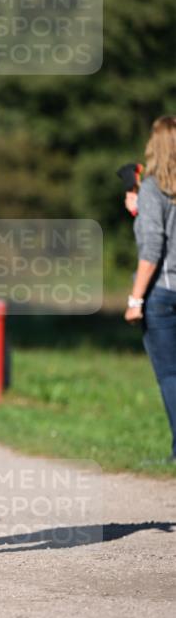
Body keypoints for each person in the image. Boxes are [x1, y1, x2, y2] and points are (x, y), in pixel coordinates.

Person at [124, 115, 176, 461]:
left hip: (162, 292)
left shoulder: (155, 188)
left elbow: (152, 249)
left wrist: (135, 299)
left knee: (171, 375)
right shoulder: (151, 192)